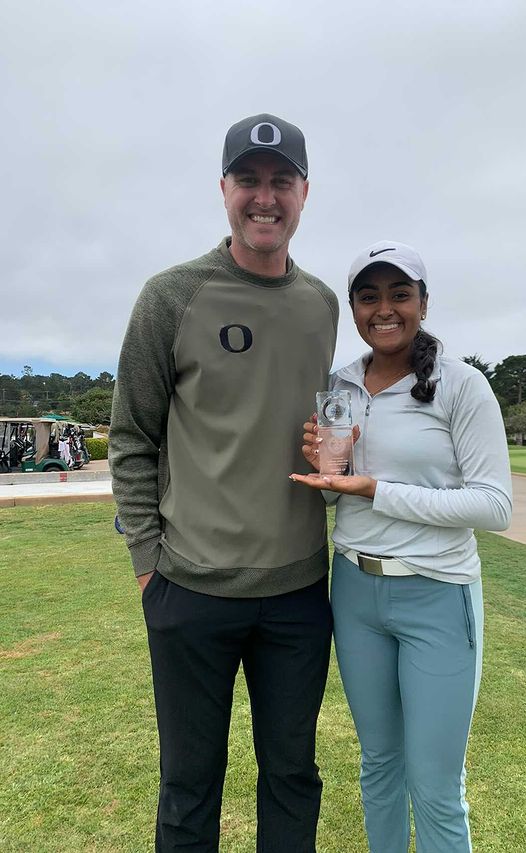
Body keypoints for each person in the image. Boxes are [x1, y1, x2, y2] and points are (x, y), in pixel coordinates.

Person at [109, 113, 339, 852]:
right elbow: (131, 438)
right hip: (190, 593)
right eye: (248, 180)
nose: (263, 198)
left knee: (292, 778)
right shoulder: (170, 297)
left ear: (305, 192)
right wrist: (149, 566)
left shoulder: (324, 306)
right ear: (223, 188)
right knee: (188, 786)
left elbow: (322, 426)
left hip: (298, 594)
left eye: (280, 182)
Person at [290, 241, 512, 853]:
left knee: (436, 785)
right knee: (379, 766)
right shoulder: (337, 386)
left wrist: (375, 488)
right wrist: (329, 474)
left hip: (437, 595)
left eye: (399, 295)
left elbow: (495, 506)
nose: (384, 309)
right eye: (369, 297)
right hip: (356, 594)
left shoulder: (462, 385)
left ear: (422, 303)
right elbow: (337, 498)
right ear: (355, 309)